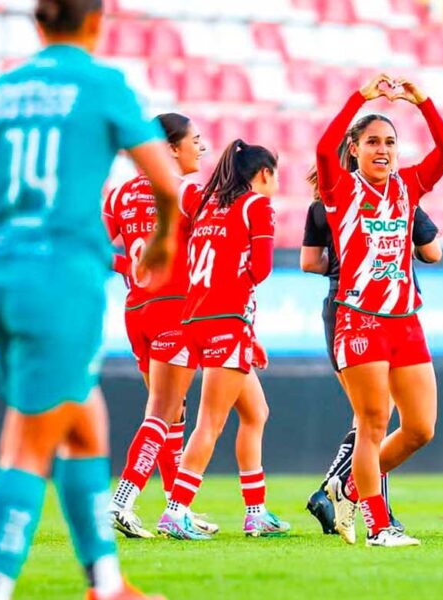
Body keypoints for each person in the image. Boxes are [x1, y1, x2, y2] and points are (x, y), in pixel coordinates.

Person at [0, 1, 178, 598]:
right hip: (60, 284)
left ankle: (107, 582)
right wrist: (163, 243)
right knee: (28, 441)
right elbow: (166, 180)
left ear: (38, 24)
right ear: (96, 22)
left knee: (84, 425)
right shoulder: (100, 84)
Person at [104, 117, 274, 541]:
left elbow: (94, 246)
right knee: (164, 410)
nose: (201, 149)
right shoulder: (185, 194)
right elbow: (219, 247)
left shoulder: (120, 196)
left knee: (173, 411)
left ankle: (176, 505)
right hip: (179, 311)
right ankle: (123, 500)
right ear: (170, 149)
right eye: (194, 141)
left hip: (137, 308)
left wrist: (130, 267)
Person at [314, 74, 443, 547]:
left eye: (390, 142)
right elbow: (323, 145)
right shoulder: (339, 190)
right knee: (372, 423)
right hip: (359, 318)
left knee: (421, 428)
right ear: (353, 149)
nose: (383, 149)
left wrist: (422, 100)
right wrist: (361, 97)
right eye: (372, 141)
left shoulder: (409, 186)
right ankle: (379, 525)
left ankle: (349, 486)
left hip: (405, 321)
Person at [156, 139, 290, 540]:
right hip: (225, 322)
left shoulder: (205, 202)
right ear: (264, 174)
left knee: (255, 412)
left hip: (197, 318)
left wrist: (248, 334)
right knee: (210, 422)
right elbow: (261, 270)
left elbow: (174, 184)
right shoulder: (257, 205)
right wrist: (238, 319)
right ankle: (175, 512)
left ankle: (256, 512)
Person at [301, 195, 443, 535]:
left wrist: (343, 266)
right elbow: (433, 252)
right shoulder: (399, 197)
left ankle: (346, 488)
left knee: (370, 418)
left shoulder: (324, 205)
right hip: (378, 310)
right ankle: (370, 510)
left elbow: (309, 262)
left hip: (339, 310)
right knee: (375, 420)